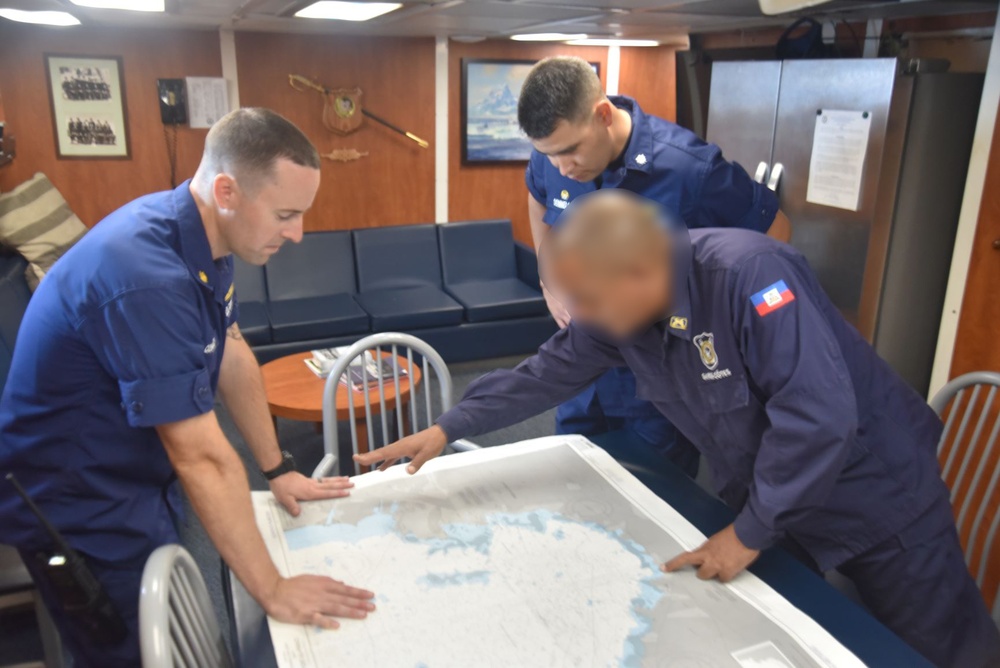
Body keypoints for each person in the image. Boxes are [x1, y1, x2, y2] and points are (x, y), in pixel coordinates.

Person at [356, 190, 1000, 668]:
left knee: (937, 647)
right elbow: (548, 371)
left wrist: (748, 532)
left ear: (642, 273)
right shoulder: (621, 310)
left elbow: (819, 417)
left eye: (590, 303)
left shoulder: (752, 276)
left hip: (877, 496)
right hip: (777, 497)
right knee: (765, 631)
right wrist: (449, 426)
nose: (583, 318)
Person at [0, 108, 375, 666]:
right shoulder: (144, 275)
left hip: (133, 468)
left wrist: (277, 470)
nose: (297, 234)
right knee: (131, 648)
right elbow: (201, 456)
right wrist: (271, 589)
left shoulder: (201, 238)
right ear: (226, 190)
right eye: (286, 214)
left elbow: (233, 353)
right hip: (76, 499)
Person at [519, 56, 792, 478]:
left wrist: (709, 317)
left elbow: (776, 232)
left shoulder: (690, 168)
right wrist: (548, 278)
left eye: (570, 151)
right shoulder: (552, 157)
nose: (562, 168)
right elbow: (537, 195)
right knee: (571, 475)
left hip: (658, 376)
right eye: (549, 155)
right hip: (584, 362)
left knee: (653, 490)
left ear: (603, 115)